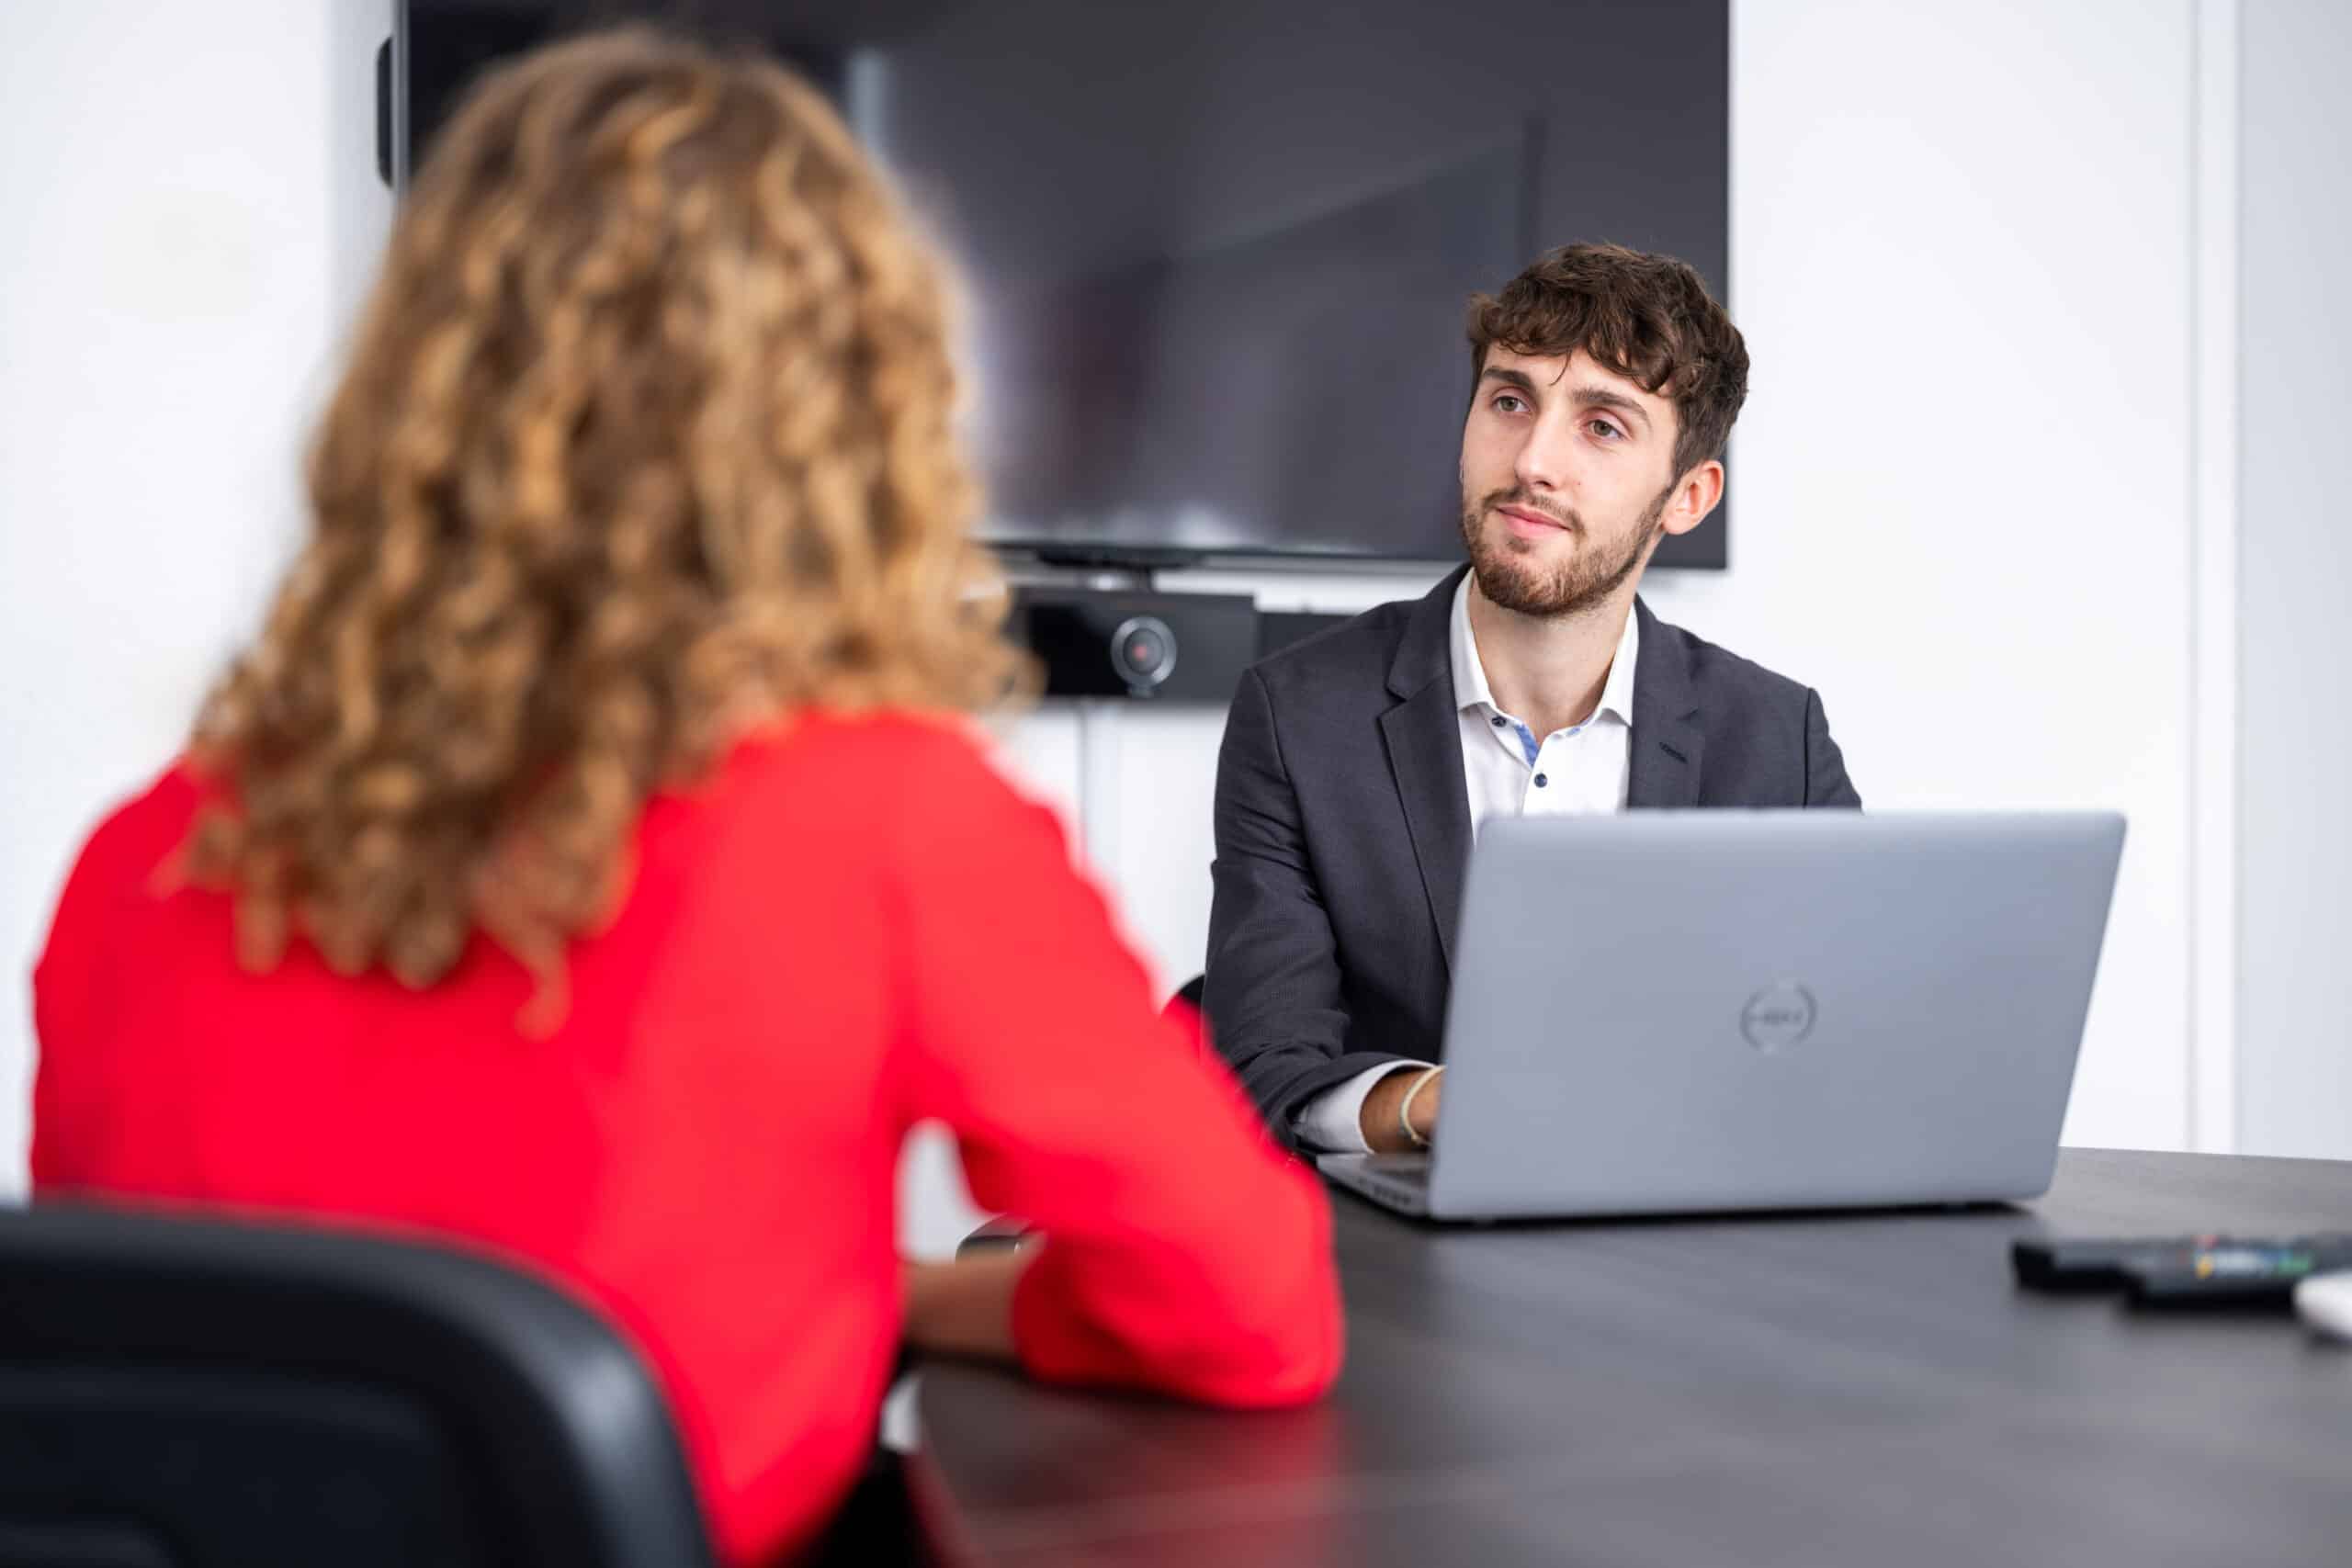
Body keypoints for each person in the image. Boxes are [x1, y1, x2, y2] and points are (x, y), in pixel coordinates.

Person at [29, 28, 1340, 1566]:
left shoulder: (144, 855)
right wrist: (923, 1302)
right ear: (850, 417)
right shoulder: (886, 823)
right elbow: (1255, 1310)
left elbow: (129, 1367)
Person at [1205, 242, 1860, 1156]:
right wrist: (1444, 1103)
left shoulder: (1780, 742)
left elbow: (1840, 1060)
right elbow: (1266, 1073)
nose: (1533, 461)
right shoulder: (1297, 717)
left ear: (1688, 496)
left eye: (1603, 426)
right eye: (1509, 401)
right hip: (1400, 1231)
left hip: (1681, 1226)